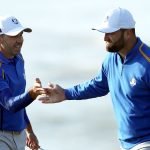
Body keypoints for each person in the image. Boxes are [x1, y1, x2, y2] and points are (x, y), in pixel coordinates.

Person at [39, 7, 150, 150]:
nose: (105, 38)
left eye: (111, 33)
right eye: (104, 33)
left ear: (128, 33)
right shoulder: (111, 59)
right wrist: (66, 93)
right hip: (125, 144)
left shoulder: (146, 63)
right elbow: (99, 85)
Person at [0, 15, 46, 150]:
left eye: (21, 35)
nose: (20, 40)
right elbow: (10, 104)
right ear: (1, 37)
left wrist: (29, 131)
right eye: (14, 36)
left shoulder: (19, 59)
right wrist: (31, 94)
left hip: (19, 136)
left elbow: (19, 100)